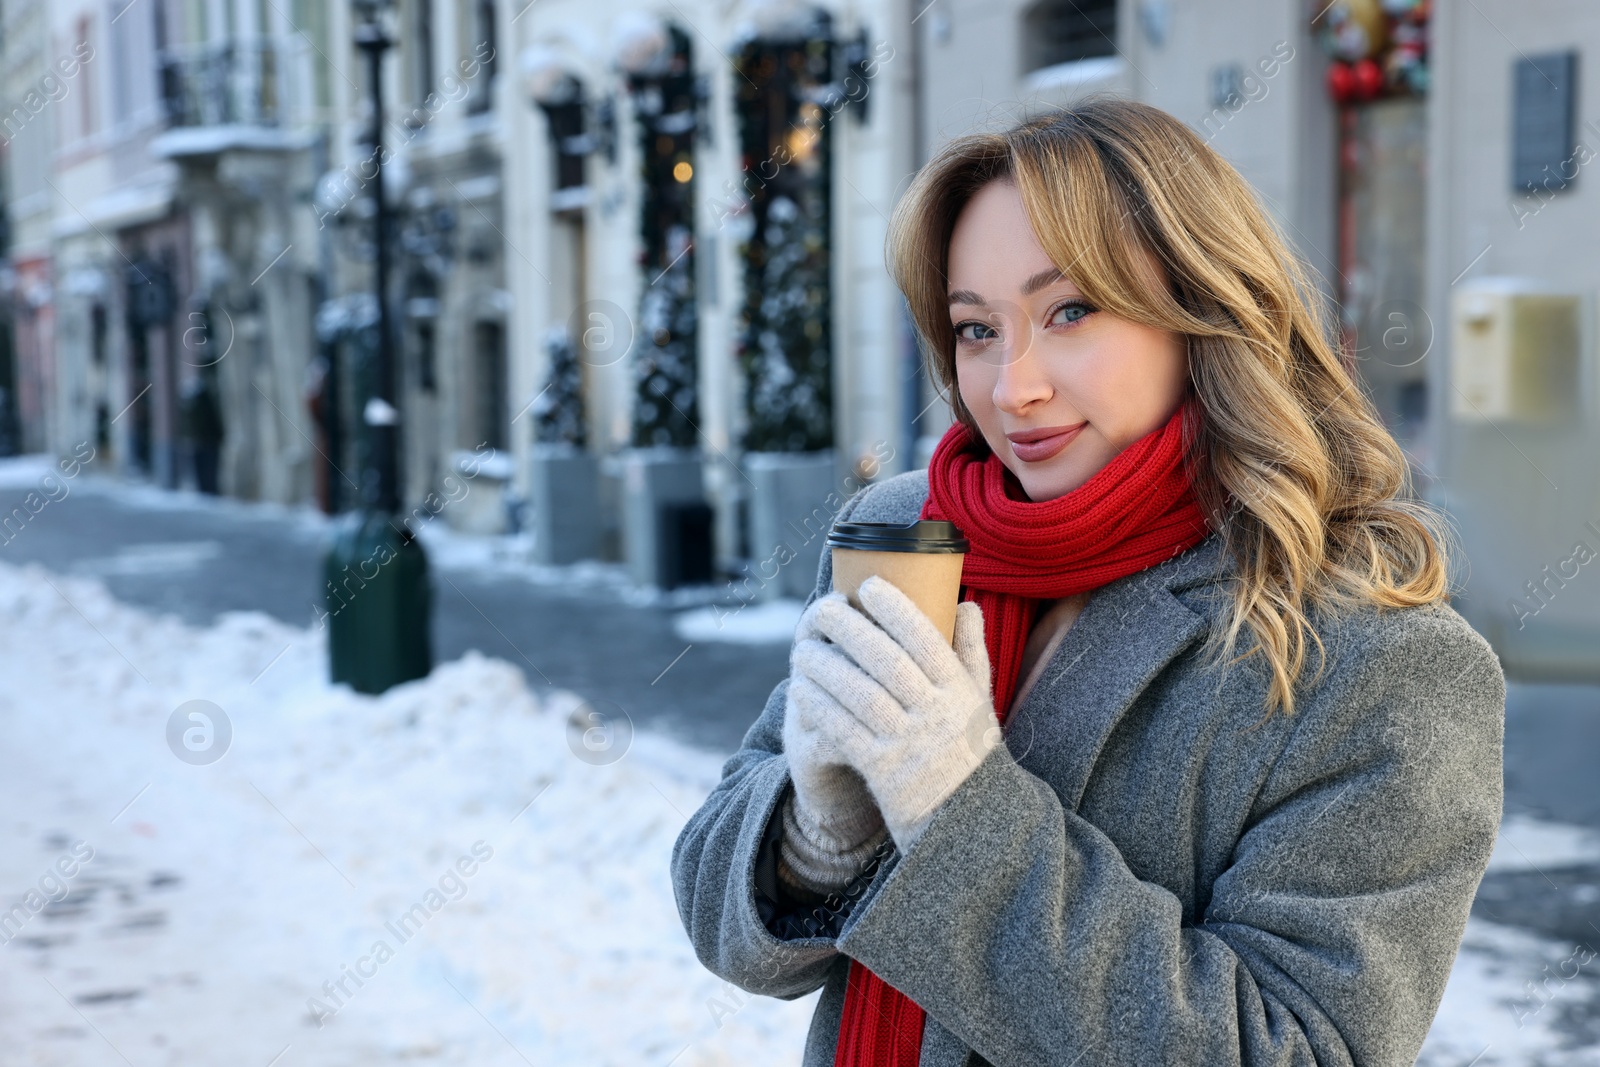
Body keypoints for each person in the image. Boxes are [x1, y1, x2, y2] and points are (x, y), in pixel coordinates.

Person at [670, 97, 1504, 1067]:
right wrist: (815, 835)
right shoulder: (913, 534)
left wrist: (953, 809)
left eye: (1070, 311)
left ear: (1200, 310)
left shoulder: (1380, 662)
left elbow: (1292, 1046)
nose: (1011, 385)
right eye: (975, 329)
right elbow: (721, 918)